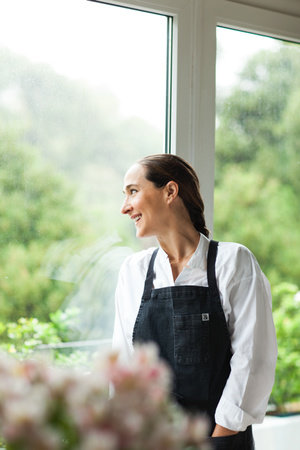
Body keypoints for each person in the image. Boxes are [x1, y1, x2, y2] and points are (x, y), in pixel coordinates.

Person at [113, 154, 277, 449]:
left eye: (133, 191)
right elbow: (124, 369)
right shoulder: (133, 272)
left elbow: (254, 360)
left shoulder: (232, 262)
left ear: (170, 192)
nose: (125, 207)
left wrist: (219, 439)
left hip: (219, 439)